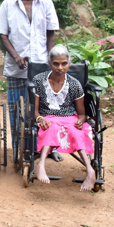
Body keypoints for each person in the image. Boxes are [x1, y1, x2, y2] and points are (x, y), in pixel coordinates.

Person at [0, 0, 60, 159]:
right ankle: (19, 151)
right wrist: (16, 57)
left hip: (41, 67)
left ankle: (48, 150)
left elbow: (51, 34)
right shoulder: (8, 4)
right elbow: (3, 35)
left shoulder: (46, 3)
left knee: (44, 109)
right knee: (17, 111)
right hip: (16, 69)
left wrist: (50, 60)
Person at [32, 45, 96, 192]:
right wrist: (40, 119)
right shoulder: (38, 81)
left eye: (64, 63)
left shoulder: (74, 84)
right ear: (50, 63)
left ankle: (90, 170)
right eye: (56, 63)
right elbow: (34, 111)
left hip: (69, 117)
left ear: (69, 63)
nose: (60, 67)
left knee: (77, 131)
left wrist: (81, 120)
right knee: (51, 127)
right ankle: (41, 164)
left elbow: (81, 113)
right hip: (47, 116)